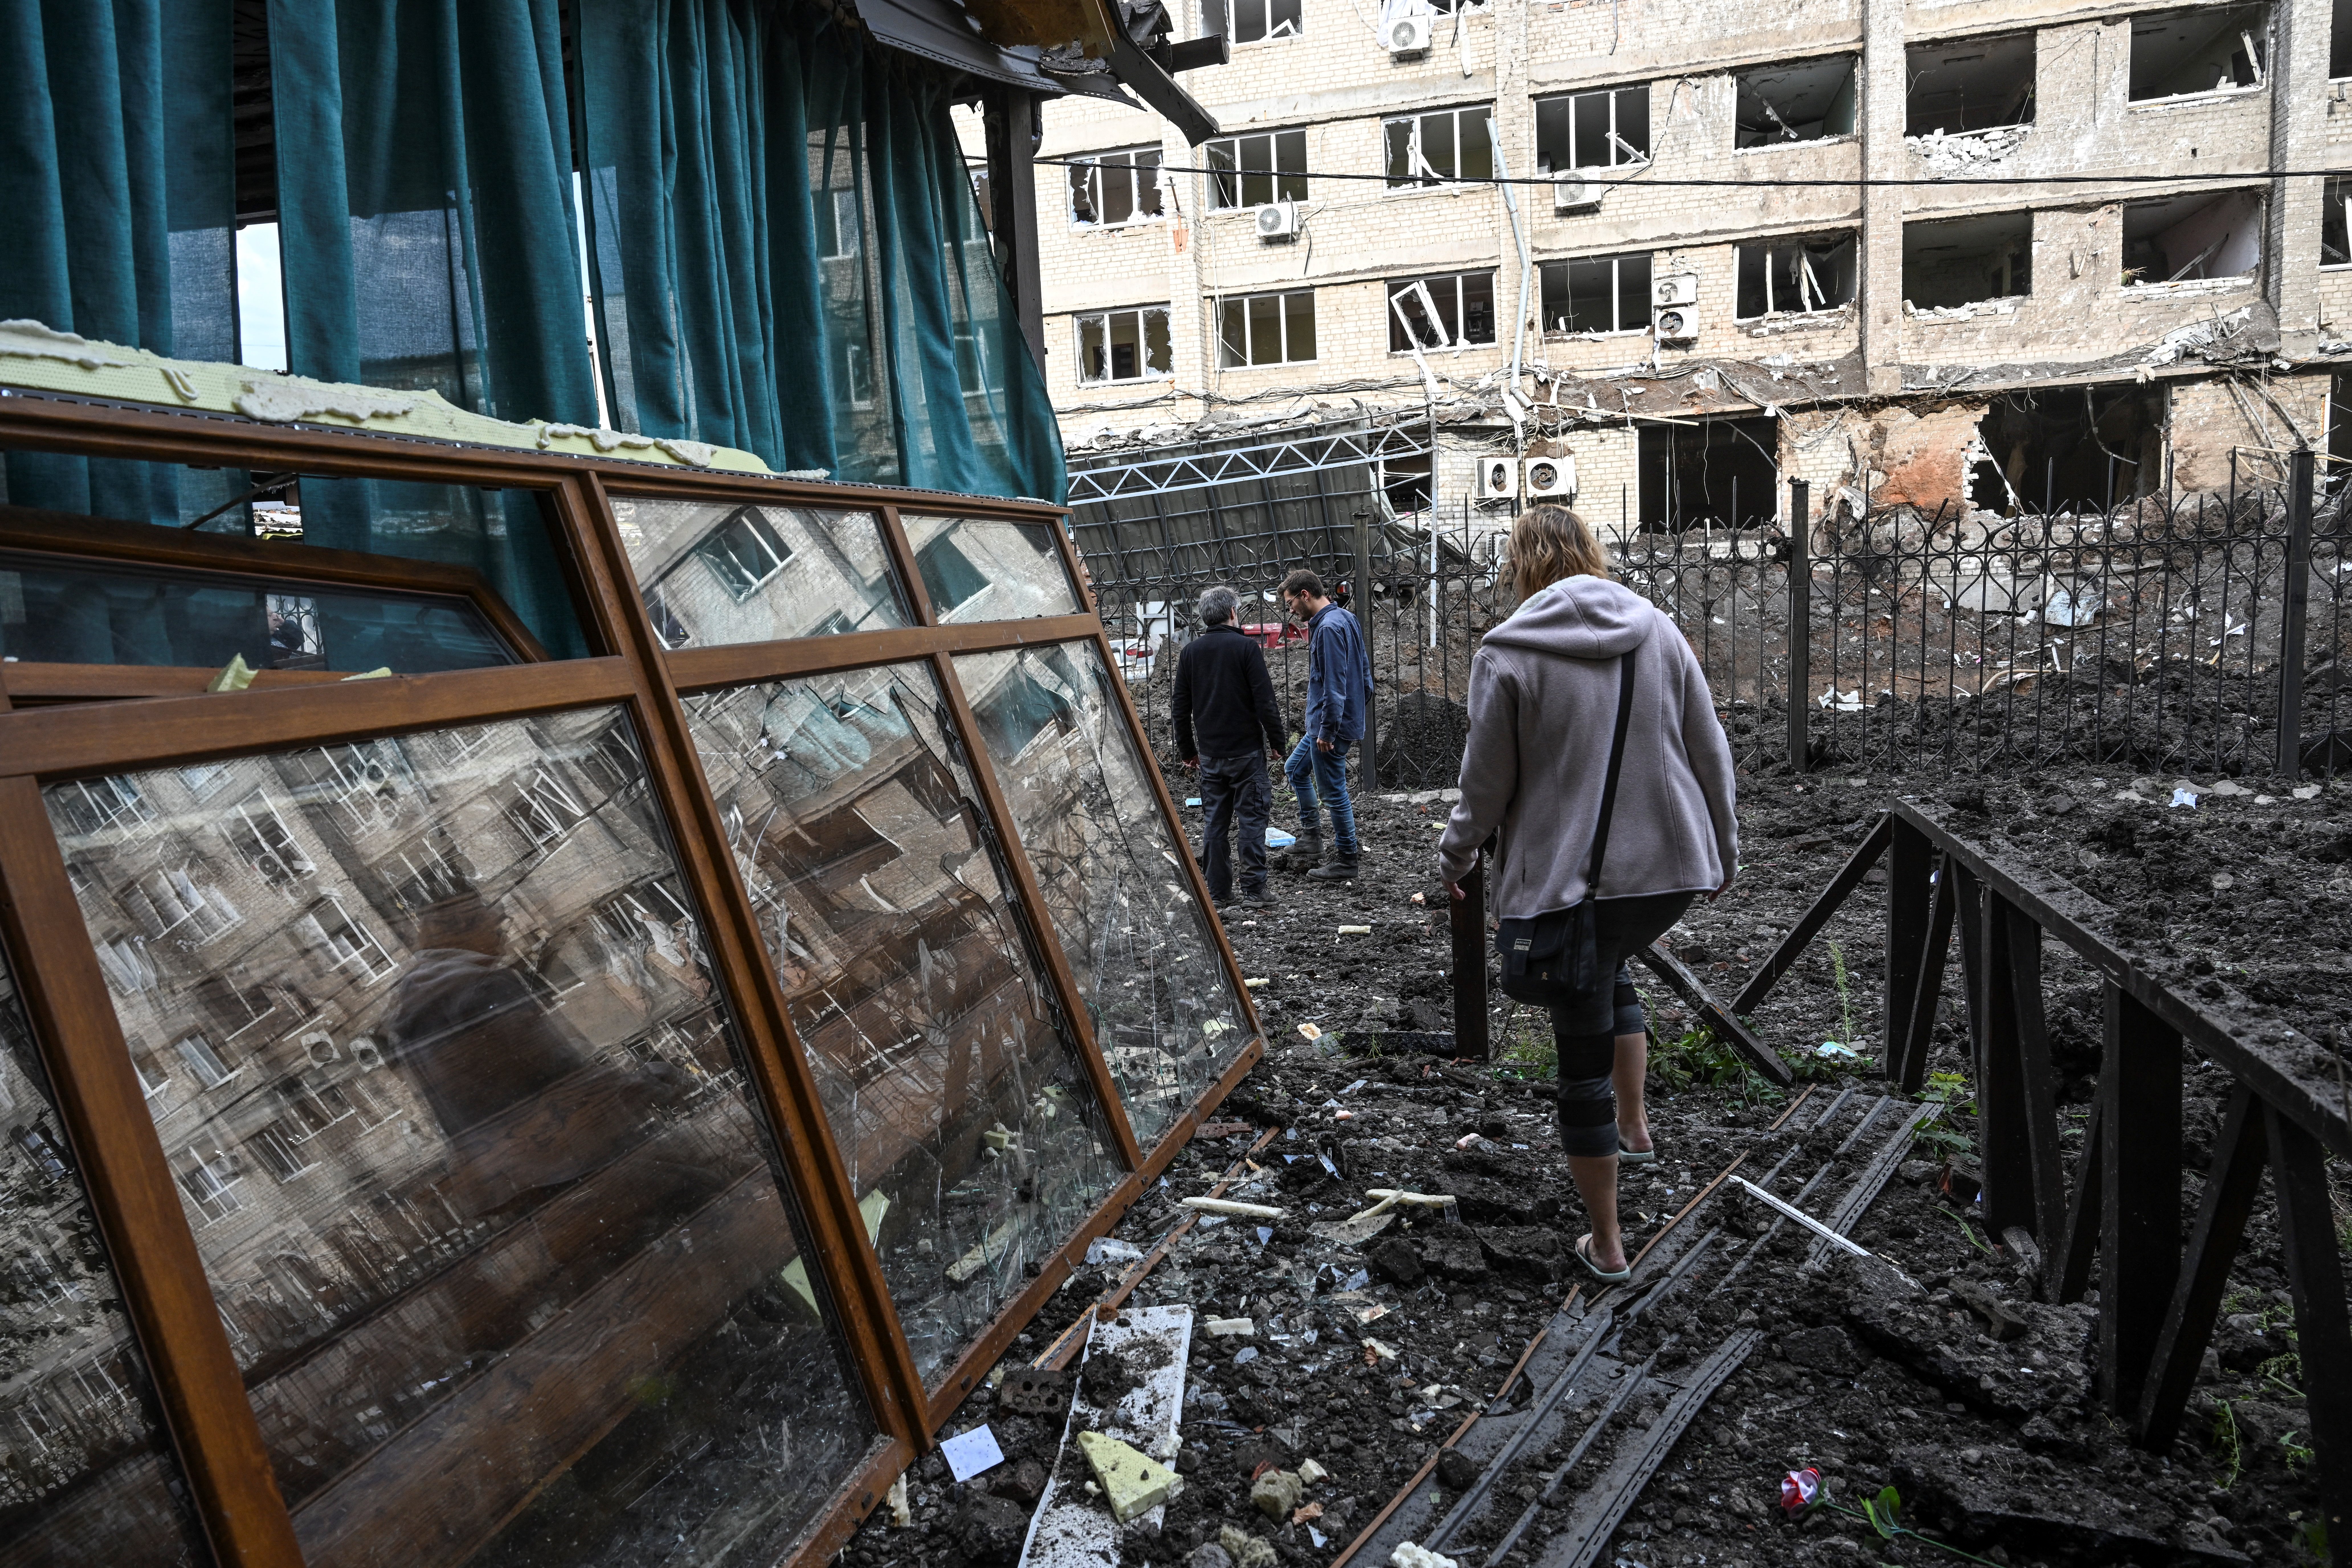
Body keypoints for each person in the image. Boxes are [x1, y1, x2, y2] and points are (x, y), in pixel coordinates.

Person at [1435, 505, 1736, 1285]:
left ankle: (1605, 1243)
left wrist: (1458, 855)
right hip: (1666, 876)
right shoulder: (1658, 630)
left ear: (1521, 566)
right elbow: (1710, 746)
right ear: (1592, 553)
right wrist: (1725, 849)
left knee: (1579, 1057)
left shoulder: (1508, 655)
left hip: (1572, 886)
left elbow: (1485, 784)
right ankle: (1636, 1128)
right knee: (1609, 964)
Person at [1172, 584, 1287, 909]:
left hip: (1211, 756)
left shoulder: (1190, 653)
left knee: (1215, 822)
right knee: (1251, 820)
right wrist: (1277, 743)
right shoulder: (1246, 649)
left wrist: (1187, 750)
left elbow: (1180, 707)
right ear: (1233, 612)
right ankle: (1254, 889)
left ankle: (1219, 893)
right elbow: (1266, 701)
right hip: (1247, 754)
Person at [1278, 567, 1371, 881]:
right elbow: (1365, 675)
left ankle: (1347, 859)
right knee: (1295, 769)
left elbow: (1334, 684)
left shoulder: (1329, 629)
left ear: (1306, 595)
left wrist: (1330, 730)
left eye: (1291, 602)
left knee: (1334, 793)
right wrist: (1355, 708)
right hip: (1328, 723)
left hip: (1327, 729)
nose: (1291, 610)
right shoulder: (1345, 618)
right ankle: (1312, 838)